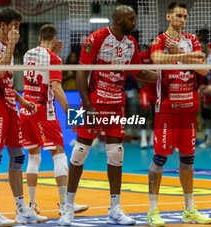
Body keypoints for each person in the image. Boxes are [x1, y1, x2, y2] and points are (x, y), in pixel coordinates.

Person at [58, 5, 158, 226]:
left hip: (116, 105)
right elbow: (81, 70)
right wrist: (86, 103)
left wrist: (162, 77)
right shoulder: (97, 38)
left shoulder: (131, 43)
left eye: (134, 18)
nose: (134, 22)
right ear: (118, 18)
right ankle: (67, 207)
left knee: (116, 154)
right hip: (94, 103)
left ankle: (114, 209)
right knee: (80, 152)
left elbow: (139, 72)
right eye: (130, 18)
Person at [0, 8, 47, 226]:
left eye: (18, 26)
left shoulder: (8, 47)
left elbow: (7, 81)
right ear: (3, 25)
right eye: (14, 26)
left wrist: (23, 101)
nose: (17, 30)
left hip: (9, 105)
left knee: (18, 157)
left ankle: (21, 210)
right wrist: (11, 45)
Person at [148, 2, 211, 226]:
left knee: (188, 160)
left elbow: (203, 69)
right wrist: (190, 57)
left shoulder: (192, 40)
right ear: (168, 16)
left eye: (185, 16)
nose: (182, 19)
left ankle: (189, 209)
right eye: (178, 15)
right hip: (167, 108)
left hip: (189, 107)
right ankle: (153, 210)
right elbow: (157, 60)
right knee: (160, 159)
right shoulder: (159, 40)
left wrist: (181, 54)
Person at [20, 24, 89, 216]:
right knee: (59, 154)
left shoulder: (28, 54)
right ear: (56, 38)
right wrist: (72, 115)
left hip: (25, 110)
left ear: (40, 38)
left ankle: (32, 205)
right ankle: (65, 204)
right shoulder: (54, 58)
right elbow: (57, 88)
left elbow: (42, 66)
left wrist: (53, 54)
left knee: (33, 156)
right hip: (43, 111)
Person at [139, 47, 156, 148]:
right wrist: (138, 81)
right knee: (144, 112)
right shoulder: (142, 56)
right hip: (146, 88)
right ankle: (143, 137)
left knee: (156, 113)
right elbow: (134, 69)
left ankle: (153, 138)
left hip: (156, 89)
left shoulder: (159, 56)